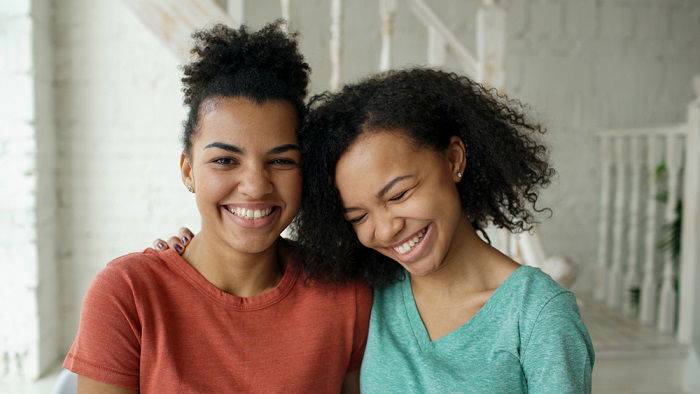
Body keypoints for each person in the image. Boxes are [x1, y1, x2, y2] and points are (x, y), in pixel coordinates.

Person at [164, 68, 594, 392]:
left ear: (454, 159)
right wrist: (185, 255)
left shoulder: (537, 315)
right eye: (358, 217)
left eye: (400, 194)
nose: (386, 229)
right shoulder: (375, 291)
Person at [64, 22, 371, 393]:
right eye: (226, 160)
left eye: (281, 161)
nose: (256, 185)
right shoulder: (127, 294)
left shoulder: (345, 296)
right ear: (188, 170)